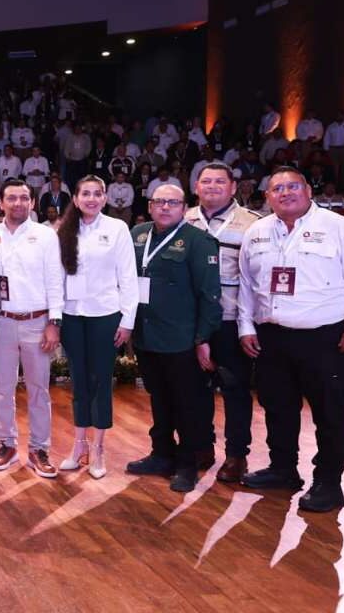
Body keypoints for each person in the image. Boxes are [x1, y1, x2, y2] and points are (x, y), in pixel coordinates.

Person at [237, 166, 344, 512]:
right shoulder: (256, 232)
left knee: (330, 414)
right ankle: (283, 469)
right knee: (277, 408)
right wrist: (246, 326)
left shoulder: (342, 229)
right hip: (272, 337)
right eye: (277, 189)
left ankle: (328, 483)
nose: (285, 193)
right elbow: (246, 285)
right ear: (268, 196)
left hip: (327, 339)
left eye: (292, 186)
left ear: (308, 191)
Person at [124, 184, 222, 492]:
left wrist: (203, 337)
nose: (165, 207)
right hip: (145, 334)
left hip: (181, 337)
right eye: (159, 202)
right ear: (150, 206)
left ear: (184, 208)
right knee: (159, 397)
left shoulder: (199, 241)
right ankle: (161, 453)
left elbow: (210, 295)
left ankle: (187, 463)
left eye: (173, 203)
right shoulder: (137, 234)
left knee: (187, 403)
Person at [56, 175, 139, 479]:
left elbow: (128, 277)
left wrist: (127, 321)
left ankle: (99, 448)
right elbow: (58, 279)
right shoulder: (63, 230)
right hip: (72, 316)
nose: (91, 199)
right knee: (79, 382)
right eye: (85, 194)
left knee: (101, 381)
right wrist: (56, 317)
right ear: (75, 199)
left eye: (97, 194)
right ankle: (79, 446)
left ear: (105, 198)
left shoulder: (117, 229)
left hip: (106, 315)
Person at [184, 163, 262, 483]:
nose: (212, 186)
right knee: (194, 389)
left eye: (220, 181)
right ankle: (201, 447)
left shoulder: (254, 224)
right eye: (206, 181)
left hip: (232, 321)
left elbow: (255, 279)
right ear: (196, 187)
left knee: (235, 389)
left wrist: (250, 325)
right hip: (191, 324)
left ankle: (236, 455)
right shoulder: (182, 219)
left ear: (233, 187)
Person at [0, 179, 65, 478]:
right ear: (1, 202)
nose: (17, 203)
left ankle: (39, 448)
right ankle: (6, 444)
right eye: (11, 198)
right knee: (2, 389)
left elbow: (55, 281)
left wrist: (53, 323)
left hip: (38, 322)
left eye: (23, 198)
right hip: (1, 321)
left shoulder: (46, 235)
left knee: (39, 390)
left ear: (32, 202)